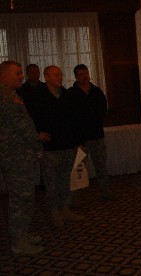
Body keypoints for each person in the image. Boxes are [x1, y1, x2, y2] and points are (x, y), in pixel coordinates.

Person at [28, 65, 84, 228]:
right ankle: (54, 213)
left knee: (65, 180)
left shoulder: (66, 95)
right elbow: (29, 120)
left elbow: (74, 120)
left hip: (66, 145)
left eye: (61, 74)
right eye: (56, 75)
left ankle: (65, 209)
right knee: (51, 184)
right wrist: (37, 136)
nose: (60, 77)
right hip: (48, 148)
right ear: (46, 77)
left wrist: (76, 142)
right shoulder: (36, 96)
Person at [0, 60, 43, 255]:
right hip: (16, 157)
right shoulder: (5, 97)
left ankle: (22, 233)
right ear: (4, 76)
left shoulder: (10, 94)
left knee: (24, 197)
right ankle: (18, 242)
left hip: (19, 155)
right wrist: (37, 146)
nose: (22, 76)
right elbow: (23, 127)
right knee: (20, 198)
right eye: (17, 73)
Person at [67, 64, 110, 200]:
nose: (85, 76)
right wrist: (75, 140)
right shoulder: (71, 94)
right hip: (80, 140)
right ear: (76, 77)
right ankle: (75, 198)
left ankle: (105, 192)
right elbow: (69, 118)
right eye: (81, 74)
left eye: (86, 73)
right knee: (79, 169)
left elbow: (103, 110)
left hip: (97, 136)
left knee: (101, 166)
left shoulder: (97, 92)